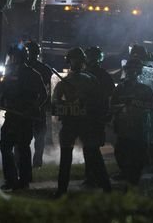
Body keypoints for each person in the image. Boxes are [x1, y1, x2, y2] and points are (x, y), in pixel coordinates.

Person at [53, 47, 111, 197]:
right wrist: (67, 106)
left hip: (87, 123)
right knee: (66, 158)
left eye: (79, 59)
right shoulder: (65, 82)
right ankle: (61, 190)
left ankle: (107, 188)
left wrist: (88, 105)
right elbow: (54, 103)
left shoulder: (91, 80)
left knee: (94, 155)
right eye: (74, 59)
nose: (76, 62)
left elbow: (100, 101)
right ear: (69, 61)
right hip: (70, 123)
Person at [0, 47, 46, 190]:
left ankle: (24, 181)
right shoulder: (9, 73)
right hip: (11, 116)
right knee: (5, 146)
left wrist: (32, 109)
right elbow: (3, 93)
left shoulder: (33, 75)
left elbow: (43, 95)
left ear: (20, 58)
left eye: (13, 57)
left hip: (25, 117)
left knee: (23, 148)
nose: (10, 60)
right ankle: (10, 179)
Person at [111, 58, 153, 186]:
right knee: (120, 151)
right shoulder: (119, 88)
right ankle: (125, 172)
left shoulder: (145, 89)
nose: (132, 73)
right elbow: (112, 105)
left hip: (139, 126)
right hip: (123, 126)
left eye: (135, 70)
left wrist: (136, 102)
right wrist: (121, 106)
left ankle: (135, 177)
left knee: (138, 153)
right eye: (130, 70)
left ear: (139, 72)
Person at [83, 46, 115, 186]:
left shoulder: (102, 75)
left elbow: (110, 96)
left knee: (92, 148)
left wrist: (107, 113)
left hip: (96, 115)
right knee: (88, 148)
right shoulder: (85, 74)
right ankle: (91, 177)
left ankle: (100, 179)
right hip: (86, 115)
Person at [24, 41, 54, 168]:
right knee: (37, 138)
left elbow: (47, 89)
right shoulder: (44, 68)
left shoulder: (24, 68)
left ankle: (31, 163)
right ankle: (35, 163)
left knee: (33, 138)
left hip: (32, 107)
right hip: (35, 107)